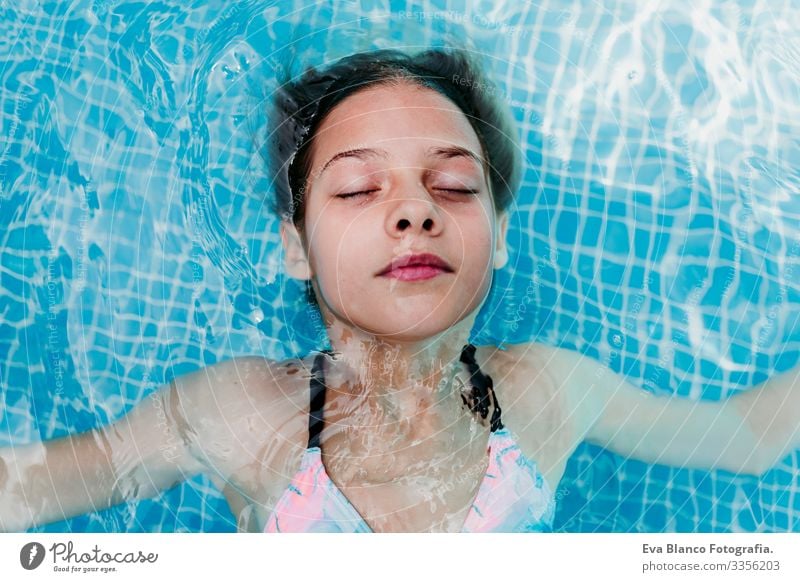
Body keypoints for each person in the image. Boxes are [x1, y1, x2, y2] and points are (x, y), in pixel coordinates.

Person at [1, 47, 798, 533]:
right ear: (294, 250)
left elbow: (747, 440)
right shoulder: (237, 412)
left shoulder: (548, 390)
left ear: (502, 235)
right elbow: (25, 491)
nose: (415, 209)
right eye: (357, 192)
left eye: (453, 185)